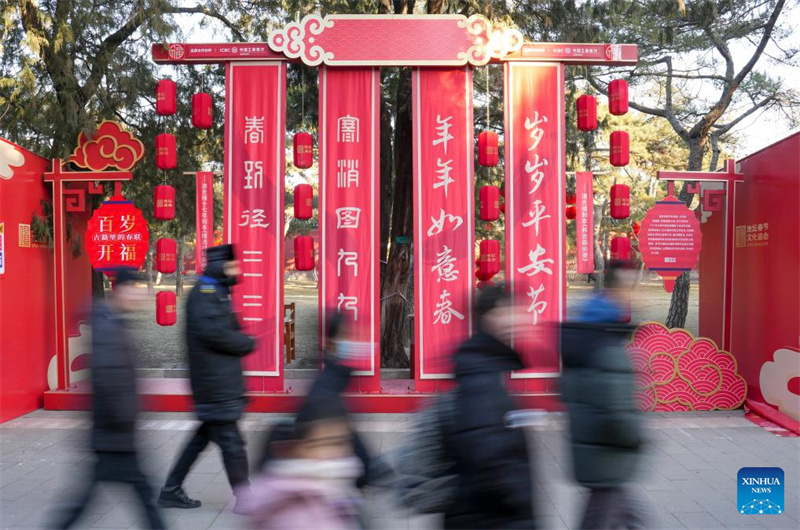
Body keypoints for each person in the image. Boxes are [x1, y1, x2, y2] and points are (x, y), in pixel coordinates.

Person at [51, 268, 165, 529]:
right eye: (134, 287)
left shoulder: (112, 322)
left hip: (114, 433)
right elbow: (109, 378)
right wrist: (128, 417)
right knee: (142, 498)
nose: (139, 295)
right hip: (115, 434)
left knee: (90, 501)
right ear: (120, 289)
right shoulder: (108, 327)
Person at [159, 244, 256, 511]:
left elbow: (226, 328)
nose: (238, 270)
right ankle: (245, 497)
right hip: (214, 385)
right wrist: (245, 343)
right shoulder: (204, 294)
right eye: (233, 265)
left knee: (201, 439)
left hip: (217, 383)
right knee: (232, 443)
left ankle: (170, 489)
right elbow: (214, 334)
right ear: (221, 265)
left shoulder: (217, 292)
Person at [560, 260, 649, 529]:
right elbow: (617, 412)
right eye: (631, 287)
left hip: (593, 448)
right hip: (608, 453)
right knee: (603, 516)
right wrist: (635, 437)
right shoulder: (606, 342)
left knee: (624, 515)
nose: (633, 295)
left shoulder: (585, 328)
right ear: (619, 290)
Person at [444, 284, 536, 529]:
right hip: (494, 517)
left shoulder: (488, 364)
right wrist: (520, 504)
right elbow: (489, 458)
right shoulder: (481, 373)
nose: (518, 318)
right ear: (491, 317)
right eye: (509, 311)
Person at [236, 401, 365, 529]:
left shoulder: (324, 491)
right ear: (294, 449)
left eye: (343, 442)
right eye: (329, 443)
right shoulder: (293, 510)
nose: (340, 452)